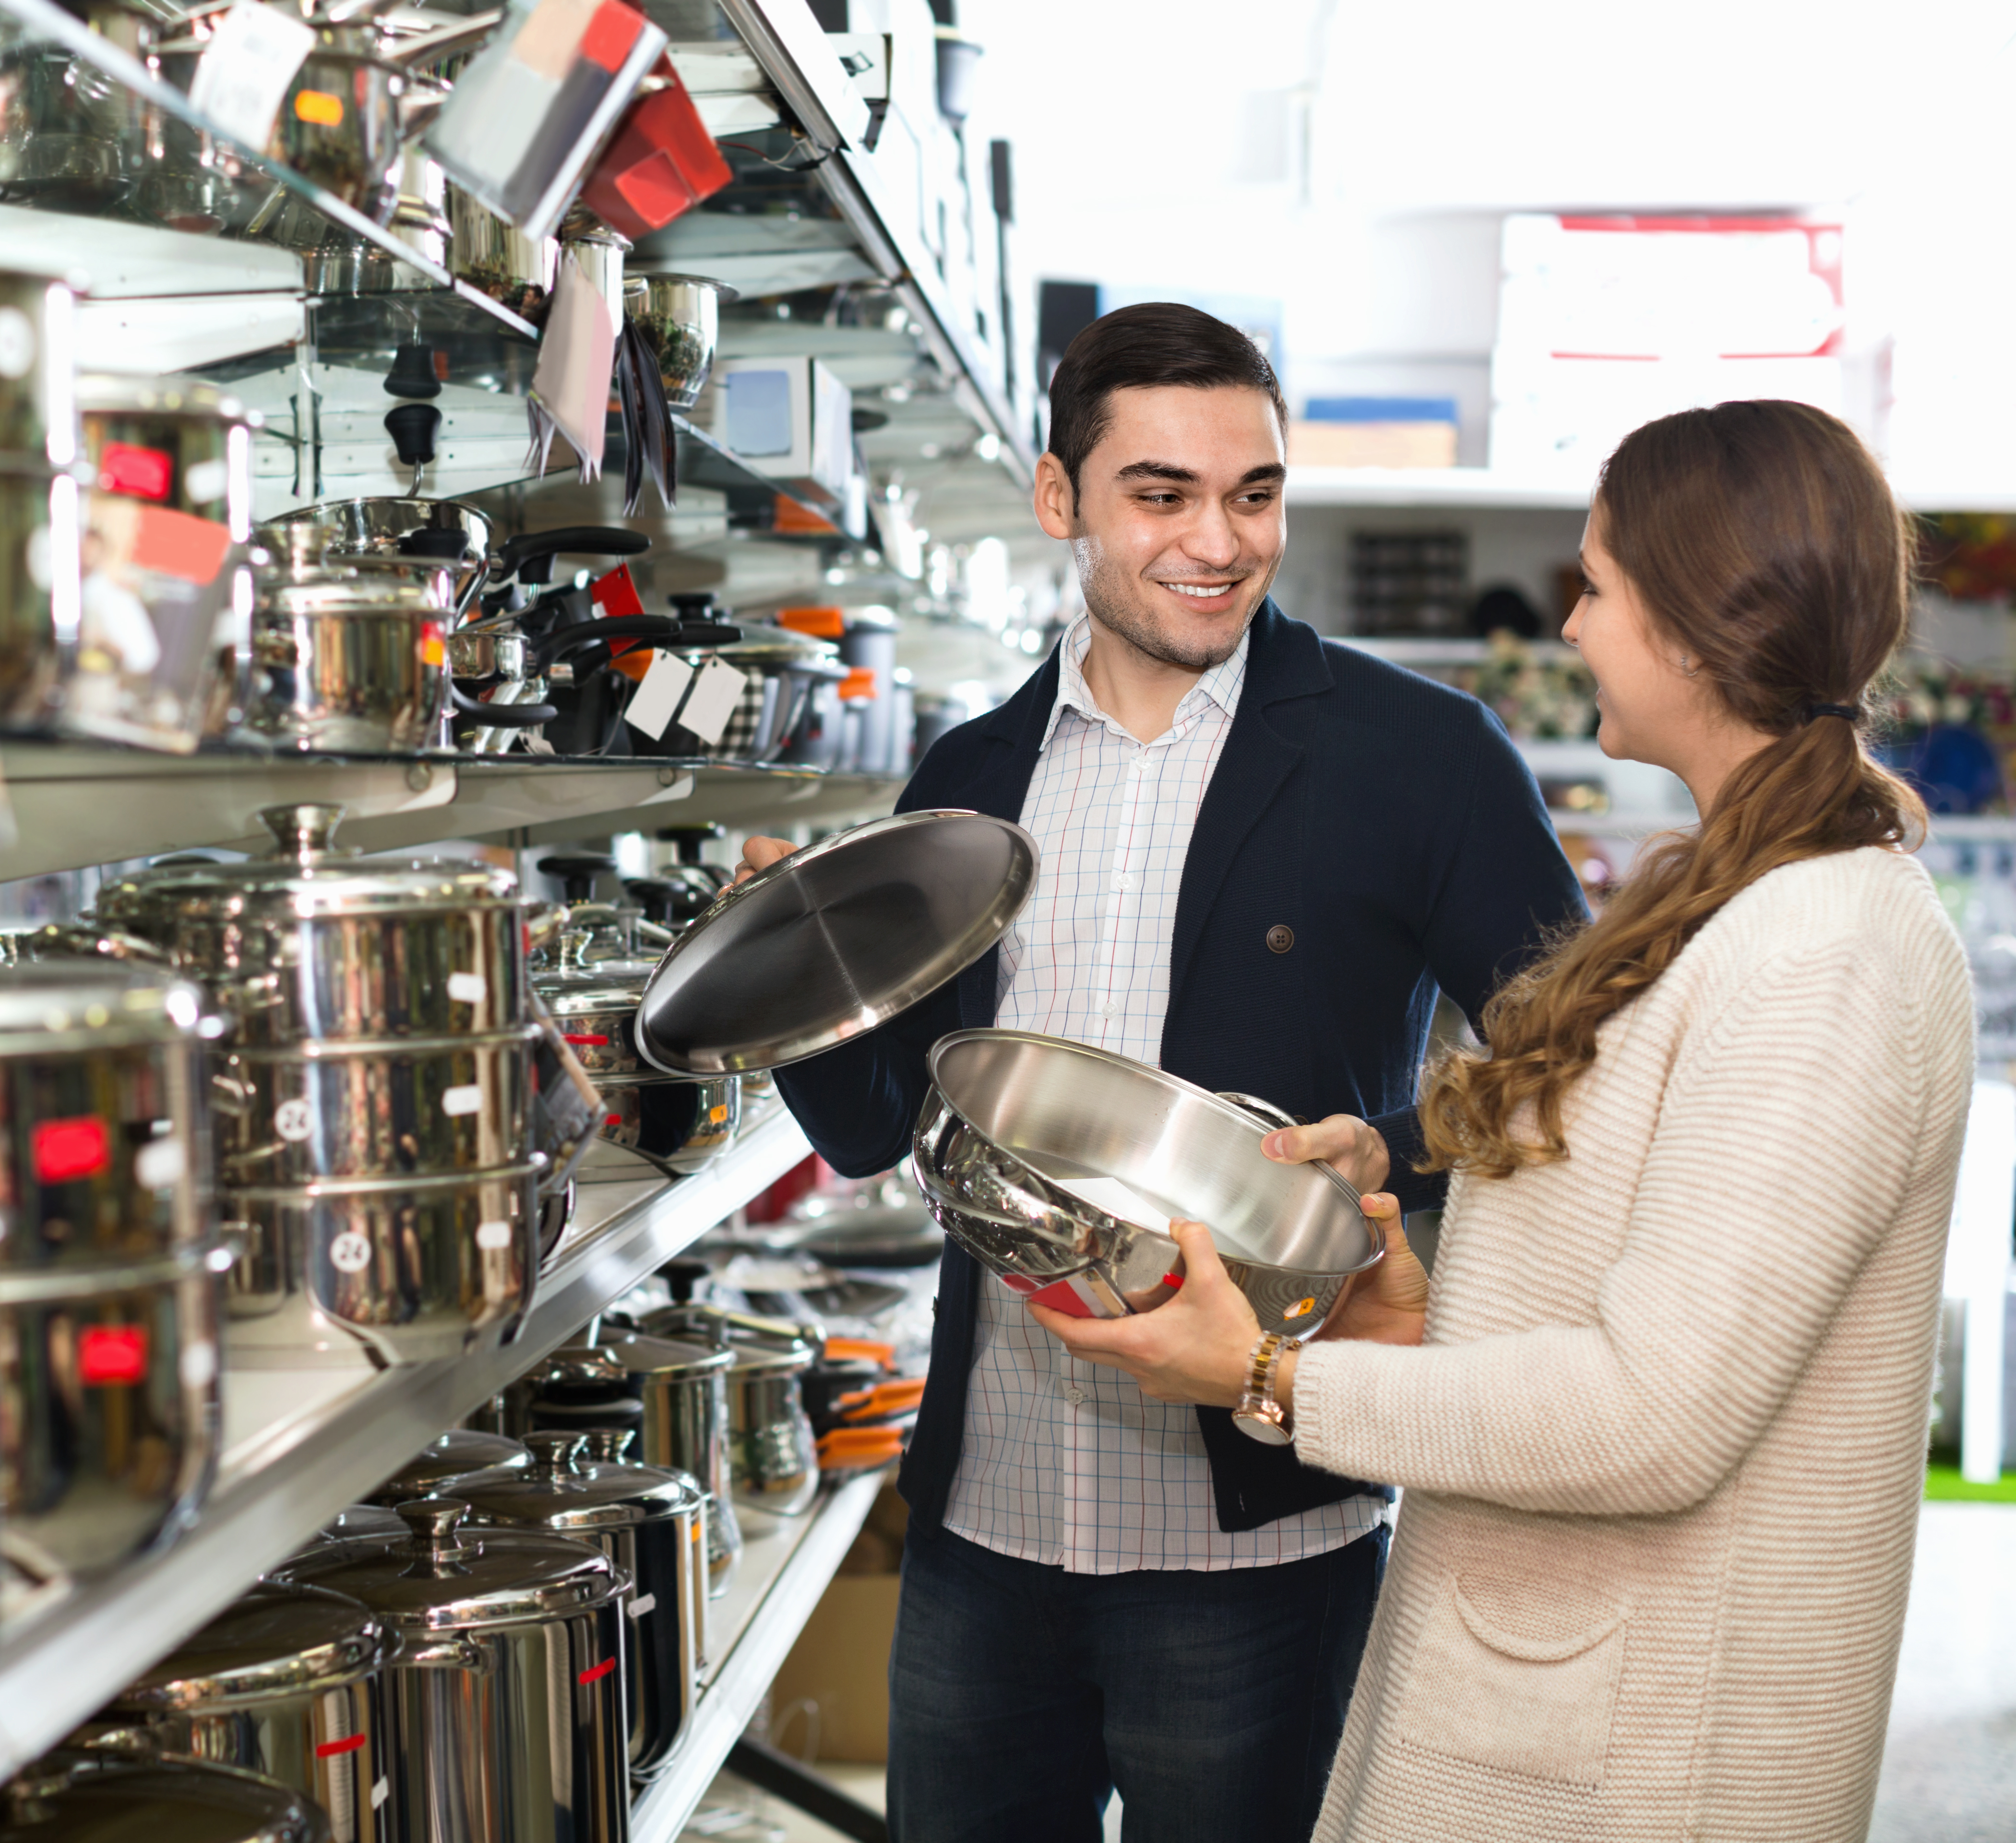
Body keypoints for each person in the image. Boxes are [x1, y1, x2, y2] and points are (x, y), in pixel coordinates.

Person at [1037, 398, 1973, 1842]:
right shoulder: (1734, 890)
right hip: (1557, 1688)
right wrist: (1423, 1301)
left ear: (1699, 622)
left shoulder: (1824, 949)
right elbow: (1651, 1284)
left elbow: (1656, 1417)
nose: (1576, 627)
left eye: (1596, 587)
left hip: (1645, 1751)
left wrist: (1276, 1384)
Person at [737, 301, 1586, 1841]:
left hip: (1258, 1535)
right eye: (1162, 494)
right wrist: (786, 981)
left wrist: (1384, 1150)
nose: (1220, 541)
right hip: (988, 1526)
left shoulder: (1422, 757)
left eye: (1253, 493)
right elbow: (874, 1133)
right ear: (1061, 499)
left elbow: (1571, 1068)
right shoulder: (969, 783)